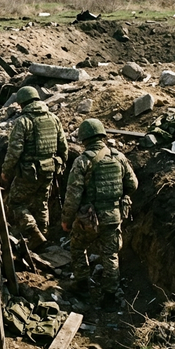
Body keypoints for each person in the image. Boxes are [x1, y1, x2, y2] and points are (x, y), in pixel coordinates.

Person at [62, 118, 138, 308]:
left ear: (84, 138)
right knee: (110, 255)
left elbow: (73, 196)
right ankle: (110, 297)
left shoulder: (82, 161)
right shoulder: (118, 157)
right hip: (113, 216)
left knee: (77, 247)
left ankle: (81, 286)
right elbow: (133, 185)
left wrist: (66, 220)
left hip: (88, 219)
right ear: (102, 135)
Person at [1, 86, 68, 249]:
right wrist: (60, 166)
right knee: (42, 203)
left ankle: (35, 234)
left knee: (15, 202)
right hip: (49, 169)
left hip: (28, 172)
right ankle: (43, 238)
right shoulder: (53, 119)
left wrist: (6, 171)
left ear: (22, 103)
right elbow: (63, 147)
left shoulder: (23, 122)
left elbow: (14, 151)